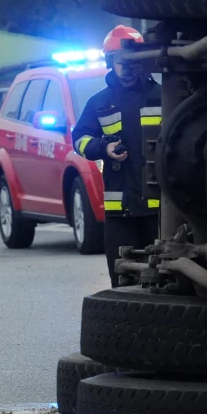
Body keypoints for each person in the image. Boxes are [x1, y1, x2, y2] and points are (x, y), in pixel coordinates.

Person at [71, 25, 161, 287]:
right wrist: (103, 148)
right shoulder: (99, 102)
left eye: (133, 61)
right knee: (123, 282)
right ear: (110, 63)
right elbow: (79, 139)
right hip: (120, 211)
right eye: (121, 61)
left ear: (142, 61)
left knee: (162, 281)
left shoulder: (163, 97)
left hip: (160, 211)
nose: (128, 67)